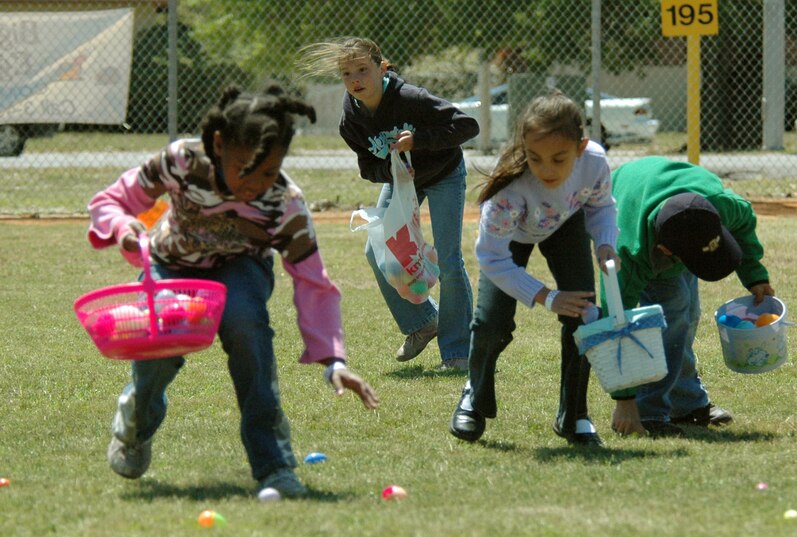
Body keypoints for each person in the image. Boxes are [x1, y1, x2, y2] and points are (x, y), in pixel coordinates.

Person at [86, 85, 380, 499]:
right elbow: (113, 199)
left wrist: (334, 361)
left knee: (247, 328)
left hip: (240, 269)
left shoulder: (284, 203)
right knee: (160, 346)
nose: (256, 185)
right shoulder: (183, 161)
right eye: (246, 168)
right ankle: (136, 422)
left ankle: (275, 466)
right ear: (219, 145)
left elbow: (314, 281)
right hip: (172, 265)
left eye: (268, 172)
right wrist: (123, 228)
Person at [448, 92, 633, 446]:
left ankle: (574, 414)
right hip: (512, 237)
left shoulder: (594, 162)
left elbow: (600, 206)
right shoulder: (509, 189)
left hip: (564, 224)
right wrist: (547, 297)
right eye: (535, 158)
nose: (546, 169)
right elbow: (492, 257)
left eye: (558, 158)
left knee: (585, 315)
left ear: (580, 148)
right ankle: (475, 392)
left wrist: (606, 241)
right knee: (491, 322)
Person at [295, 37, 479, 371]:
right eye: (347, 73)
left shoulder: (412, 98)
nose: (355, 79)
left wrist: (419, 141)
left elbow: (467, 125)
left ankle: (457, 352)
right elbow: (368, 167)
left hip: (444, 174)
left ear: (382, 68)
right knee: (376, 250)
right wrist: (391, 169)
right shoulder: (350, 120)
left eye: (363, 70)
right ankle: (423, 322)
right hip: (402, 181)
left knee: (449, 260)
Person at [606, 156, 775, 437]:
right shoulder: (630, 253)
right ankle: (650, 412)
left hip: (667, 201)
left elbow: (744, 223)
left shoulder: (717, 205)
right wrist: (624, 400)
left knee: (686, 313)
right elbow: (615, 322)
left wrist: (755, 275)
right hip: (624, 204)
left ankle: (686, 405)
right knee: (670, 315)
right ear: (667, 252)